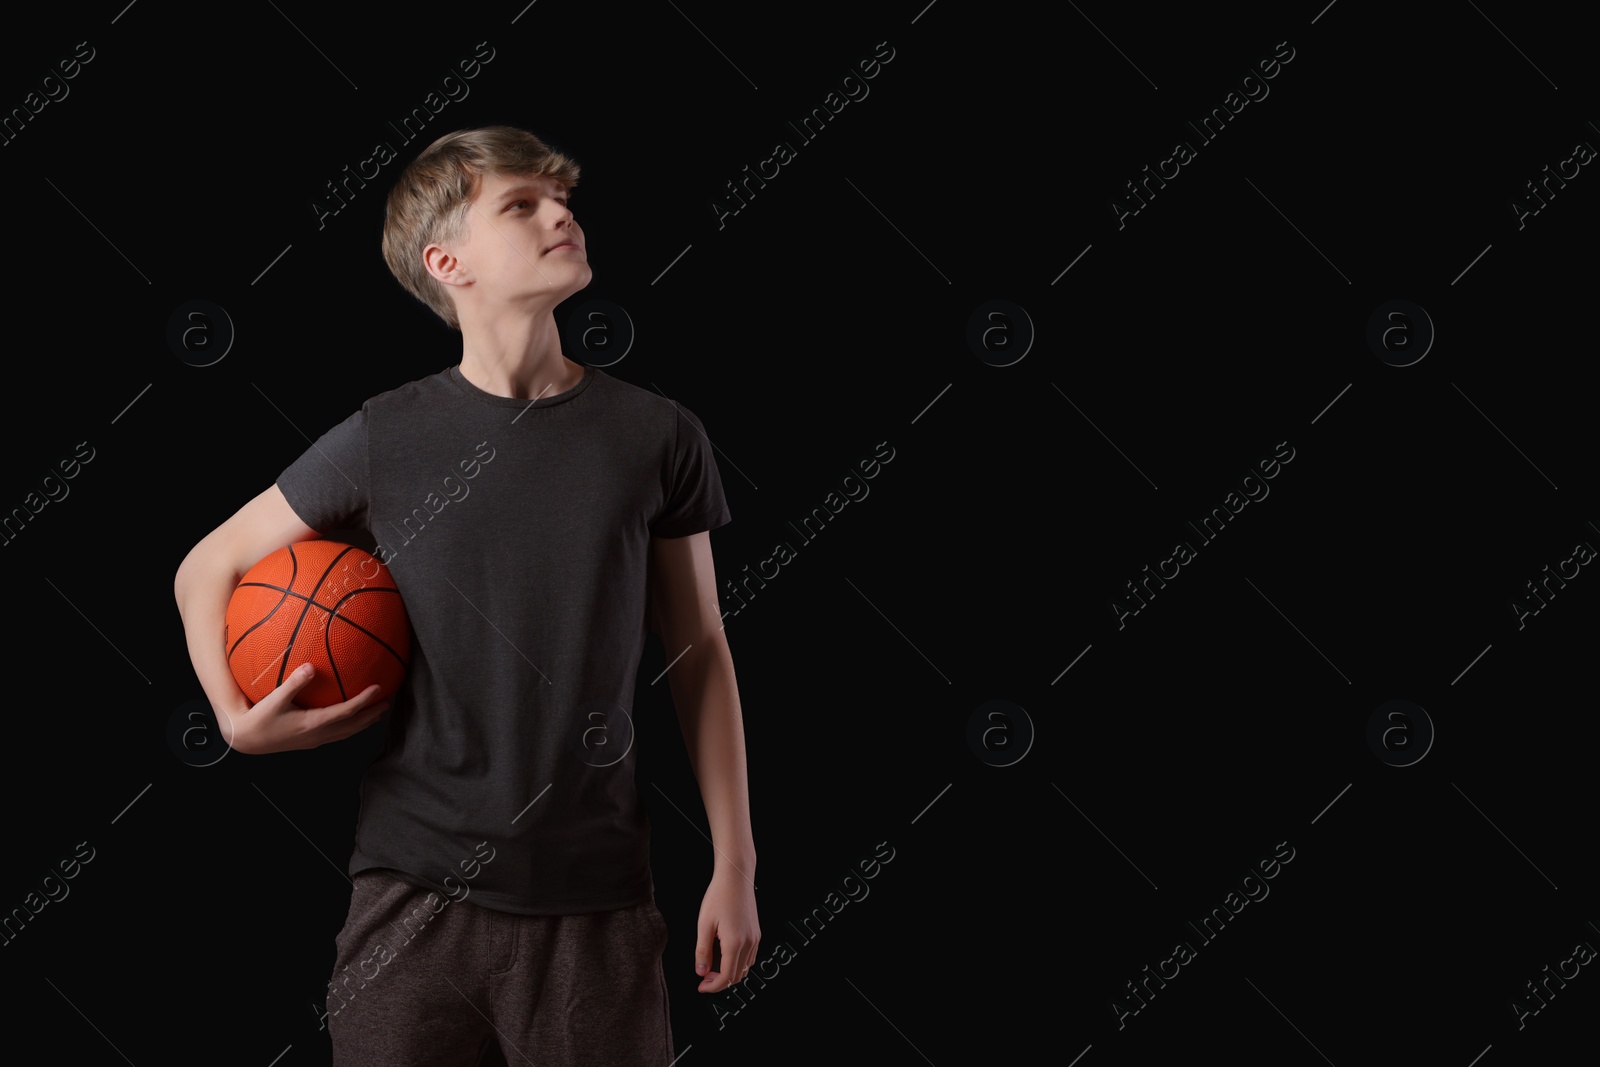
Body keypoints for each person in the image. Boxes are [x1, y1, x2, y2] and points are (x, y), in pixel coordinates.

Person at [173, 125, 759, 1066]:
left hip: (596, 900)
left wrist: (736, 863)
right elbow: (203, 566)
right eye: (519, 205)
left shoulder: (658, 435)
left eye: (559, 199)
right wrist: (236, 719)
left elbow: (700, 653)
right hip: (410, 899)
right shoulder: (383, 438)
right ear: (447, 262)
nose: (559, 213)